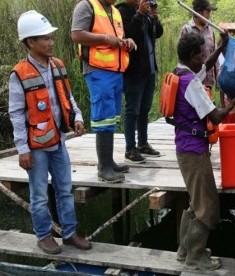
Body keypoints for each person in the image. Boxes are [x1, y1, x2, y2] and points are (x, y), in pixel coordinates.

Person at [8, 10, 92, 254]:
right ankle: (43, 235)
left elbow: (68, 96)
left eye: (51, 37)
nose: (50, 41)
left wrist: (77, 116)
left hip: (58, 141)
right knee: (39, 194)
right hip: (36, 146)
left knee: (65, 189)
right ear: (30, 42)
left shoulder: (58, 65)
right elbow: (16, 115)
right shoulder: (19, 74)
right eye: (44, 38)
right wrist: (23, 149)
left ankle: (69, 233)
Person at [174, 33, 235, 270]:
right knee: (207, 205)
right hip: (193, 152)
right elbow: (215, 116)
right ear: (192, 56)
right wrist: (233, 102)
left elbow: (206, 67)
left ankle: (184, 249)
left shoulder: (180, 72)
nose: (204, 59)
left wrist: (222, 46)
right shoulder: (191, 85)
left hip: (185, 149)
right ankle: (196, 255)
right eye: (201, 54)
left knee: (196, 200)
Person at [71, 0, 137, 183]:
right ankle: (104, 167)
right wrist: (106, 39)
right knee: (103, 117)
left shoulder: (114, 11)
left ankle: (109, 162)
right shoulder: (86, 6)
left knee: (111, 117)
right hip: (97, 70)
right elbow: (76, 35)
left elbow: (117, 37)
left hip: (115, 70)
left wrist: (126, 41)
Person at [116, 0, 164, 164]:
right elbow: (130, 35)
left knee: (145, 108)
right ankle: (130, 148)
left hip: (148, 69)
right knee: (132, 109)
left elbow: (157, 33)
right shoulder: (122, 11)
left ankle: (142, 143)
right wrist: (140, 15)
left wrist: (154, 18)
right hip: (133, 71)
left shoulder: (144, 12)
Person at [180, 0, 219, 90]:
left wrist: (217, 77)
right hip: (192, 82)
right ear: (198, 12)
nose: (209, 15)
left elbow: (215, 54)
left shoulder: (210, 30)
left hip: (208, 81)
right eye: (207, 12)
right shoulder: (187, 30)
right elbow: (182, 58)